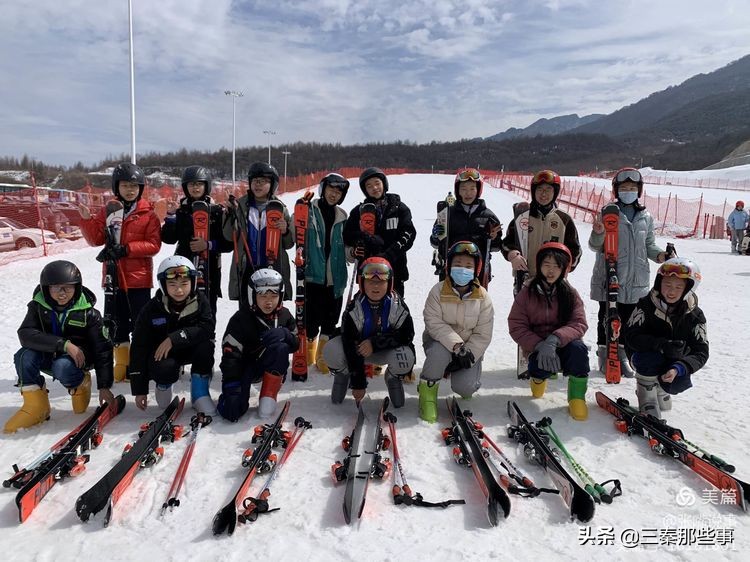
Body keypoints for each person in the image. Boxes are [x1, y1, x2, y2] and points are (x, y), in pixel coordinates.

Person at [5, 261, 115, 433]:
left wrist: (104, 386)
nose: (62, 293)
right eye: (56, 288)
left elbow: (103, 350)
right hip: (50, 353)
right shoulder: (37, 307)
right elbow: (25, 333)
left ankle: (79, 384)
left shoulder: (89, 313)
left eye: (68, 288)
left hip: (75, 361)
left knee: (62, 366)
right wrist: (63, 345)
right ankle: (36, 406)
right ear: (46, 288)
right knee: (23, 356)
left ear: (77, 288)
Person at [79, 162, 162, 382]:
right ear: (117, 187)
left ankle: (140, 361)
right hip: (113, 278)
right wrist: (86, 220)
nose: (130, 190)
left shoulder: (148, 215)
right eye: (125, 185)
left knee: (140, 323)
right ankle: (122, 364)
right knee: (116, 323)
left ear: (141, 188)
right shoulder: (108, 211)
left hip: (138, 280)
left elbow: (154, 245)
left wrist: (126, 249)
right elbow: (95, 239)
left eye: (135, 186)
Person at [589, 167, 669, 378]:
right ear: (616, 190)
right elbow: (595, 246)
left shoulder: (646, 216)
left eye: (633, 187)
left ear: (639, 190)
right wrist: (598, 233)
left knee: (630, 319)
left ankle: (622, 354)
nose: (628, 191)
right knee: (607, 316)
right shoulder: (608, 212)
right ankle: (605, 355)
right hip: (611, 275)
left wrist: (661, 256)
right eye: (624, 187)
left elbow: (649, 245)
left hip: (637, 279)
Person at [508, 243, 590, 420]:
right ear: (539, 265)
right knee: (539, 365)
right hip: (537, 347)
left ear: (564, 269)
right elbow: (516, 325)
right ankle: (538, 379)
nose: (551, 271)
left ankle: (576, 397)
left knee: (579, 351)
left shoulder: (570, 293)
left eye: (556, 266)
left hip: (563, 344)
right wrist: (539, 345)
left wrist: (555, 339)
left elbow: (579, 323)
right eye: (547, 264)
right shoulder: (527, 292)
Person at [323, 257, 416, 407]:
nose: (375, 286)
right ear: (362, 282)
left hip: (385, 351)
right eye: (370, 281)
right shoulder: (354, 308)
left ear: (389, 283)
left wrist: (375, 343)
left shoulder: (397, 306)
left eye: (381, 281)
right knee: (332, 350)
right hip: (358, 352)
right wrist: (358, 383)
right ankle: (343, 374)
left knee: (404, 358)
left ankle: (392, 378)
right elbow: (349, 343)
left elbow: (407, 335)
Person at [623, 258, 708, 419]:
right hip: (644, 356)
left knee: (679, 382)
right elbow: (630, 336)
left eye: (678, 287)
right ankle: (646, 397)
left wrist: (680, 368)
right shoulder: (646, 304)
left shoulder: (695, 315)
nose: (671, 291)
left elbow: (701, 351)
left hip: (675, 361)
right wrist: (660, 344)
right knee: (648, 359)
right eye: (667, 285)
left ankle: (661, 390)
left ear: (688, 289)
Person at [129, 257, 216, 414]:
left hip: (191, 348)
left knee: (206, 345)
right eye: (172, 285)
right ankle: (163, 385)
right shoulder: (151, 309)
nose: (179, 290)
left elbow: (207, 328)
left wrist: (174, 338)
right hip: (165, 355)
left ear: (193, 283)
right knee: (164, 372)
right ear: (163, 285)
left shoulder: (201, 302)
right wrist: (139, 389)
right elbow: (138, 347)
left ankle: (199, 392)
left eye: (184, 284)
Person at [419, 241, 494, 423]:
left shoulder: (483, 297)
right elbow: (433, 323)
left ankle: (467, 377)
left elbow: (483, 333)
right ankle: (427, 393)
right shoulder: (437, 291)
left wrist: (469, 353)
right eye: (458, 264)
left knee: (466, 388)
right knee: (438, 353)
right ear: (449, 266)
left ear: (476, 269)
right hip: (441, 343)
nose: (463, 269)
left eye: (468, 266)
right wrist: (456, 346)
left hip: (468, 349)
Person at [218, 268, 299, 420]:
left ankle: (268, 395)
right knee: (233, 412)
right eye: (262, 295)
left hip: (268, 366)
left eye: (274, 295)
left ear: (280, 296)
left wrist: (286, 334)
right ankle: (231, 400)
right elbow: (230, 355)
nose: (269, 301)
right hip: (243, 367)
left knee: (281, 348)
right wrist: (232, 384)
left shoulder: (284, 315)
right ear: (252, 295)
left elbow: (295, 344)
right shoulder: (240, 319)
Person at [161, 166, 233, 315]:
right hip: (184, 266)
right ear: (185, 187)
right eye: (191, 184)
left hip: (210, 268)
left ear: (206, 186)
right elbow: (168, 239)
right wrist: (171, 216)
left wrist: (208, 245)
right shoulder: (181, 211)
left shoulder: (217, 211)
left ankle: (208, 337)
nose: (195, 188)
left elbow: (228, 244)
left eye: (199, 184)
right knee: (184, 305)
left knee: (207, 307)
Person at [223, 162, 294, 307]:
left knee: (271, 309)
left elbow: (288, 244)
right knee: (247, 311)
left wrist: (285, 231)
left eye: (263, 181)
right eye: (255, 181)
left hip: (272, 268)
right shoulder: (240, 207)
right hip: (247, 268)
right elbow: (230, 237)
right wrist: (230, 215)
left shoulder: (280, 209)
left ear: (272, 184)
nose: (258, 185)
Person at [302, 172, 351, 373]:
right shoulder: (308, 210)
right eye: (331, 189)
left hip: (335, 277)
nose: (334, 194)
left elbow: (347, 248)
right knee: (310, 319)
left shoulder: (343, 216)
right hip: (313, 275)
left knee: (331, 320)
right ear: (323, 189)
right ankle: (308, 354)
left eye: (339, 192)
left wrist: (353, 252)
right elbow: (295, 230)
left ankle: (324, 356)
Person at [342, 167, 416, 298]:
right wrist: (363, 238)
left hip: (395, 270)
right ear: (365, 190)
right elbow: (347, 235)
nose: (374, 188)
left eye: (377, 183)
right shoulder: (359, 211)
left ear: (384, 183)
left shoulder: (399, 208)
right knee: (369, 312)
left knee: (394, 311)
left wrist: (389, 254)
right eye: (369, 186)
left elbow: (408, 234)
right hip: (368, 272)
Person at [501, 169, 582, 283]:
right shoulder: (522, 216)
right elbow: (507, 243)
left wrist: (565, 267)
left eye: (548, 189)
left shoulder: (564, 219)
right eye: (539, 189)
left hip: (554, 281)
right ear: (534, 191)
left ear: (555, 192)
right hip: (525, 279)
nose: (543, 194)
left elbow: (575, 250)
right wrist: (513, 256)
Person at [429, 168, 503, 287]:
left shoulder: (488, 216)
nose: (468, 193)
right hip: (452, 267)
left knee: (476, 302)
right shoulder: (448, 214)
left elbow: (496, 247)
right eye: (463, 189)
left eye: (472, 189)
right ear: (458, 191)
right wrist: (435, 236)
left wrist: (494, 238)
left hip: (478, 269)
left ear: (478, 190)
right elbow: (435, 243)